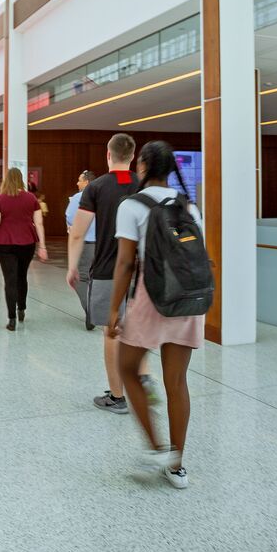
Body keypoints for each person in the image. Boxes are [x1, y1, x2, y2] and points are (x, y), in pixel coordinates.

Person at [108, 141, 206, 489]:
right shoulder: (189, 207)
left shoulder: (132, 205)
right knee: (177, 382)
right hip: (187, 300)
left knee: (127, 368)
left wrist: (113, 311)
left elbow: (124, 263)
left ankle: (155, 447)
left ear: (143, 166)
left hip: (152, 300)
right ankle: (177, 466)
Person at [67, 133, 157, 413]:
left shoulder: (95, 188)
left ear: (109, 155)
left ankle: (117, 397)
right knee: (137, 326)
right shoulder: (144, 186)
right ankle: (143, 377)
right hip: (141, 271)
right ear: (132, 157)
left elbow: (78, 233)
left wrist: (72, 266)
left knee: (112, 331)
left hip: (107, 270)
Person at [0, 167, 47, 331]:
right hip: (27, 242)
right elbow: (39, 223)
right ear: (21, 179)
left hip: (4, 243)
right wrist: (42, 246)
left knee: (10, 279)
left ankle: (11, 319)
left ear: (6, 179)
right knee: (22, 276)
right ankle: (21, 308)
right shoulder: (31, 198)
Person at [63, 170, 97, 330]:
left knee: (81, 278)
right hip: (103, 244)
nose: (77, 183)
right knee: (96, 278)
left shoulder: (79, 198)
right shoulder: (102, 196)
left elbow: (70, 218)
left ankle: (91, 312)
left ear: (87, 182)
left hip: (86, 243)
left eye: (80, 180)